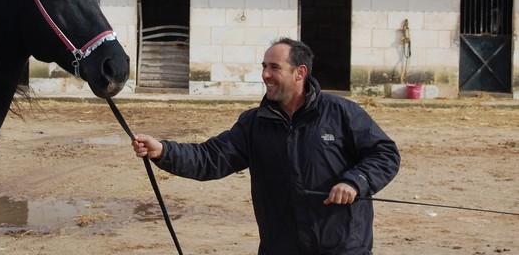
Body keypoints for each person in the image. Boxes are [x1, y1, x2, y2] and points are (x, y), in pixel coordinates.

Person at [132, 37, 400, 254]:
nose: (265, 75)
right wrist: (164, 151)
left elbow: (385, 153)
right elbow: (211, 158)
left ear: (300, 72)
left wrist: (354, 182)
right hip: (280, 246)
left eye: (274, 67)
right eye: (264, 66)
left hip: (342, 246)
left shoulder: (340, 112)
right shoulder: (255, 122)